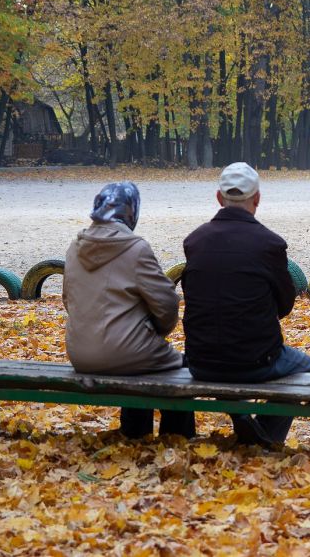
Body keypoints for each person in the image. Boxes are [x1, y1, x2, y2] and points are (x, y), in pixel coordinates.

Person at [181, 162, 310, 447]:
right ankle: (264, 435)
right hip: (255, 360)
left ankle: (242, 417)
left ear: (219, 198)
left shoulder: (194, 241)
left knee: (225, 354)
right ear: (257, 199)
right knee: (308, 367)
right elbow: (284, 306)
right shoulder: (269, 244)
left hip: (200, 359)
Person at [63, 181, 195, 439]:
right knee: (180, 372)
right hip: (126, 353)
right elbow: (166, 306)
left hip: (79, 354)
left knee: (134, 356)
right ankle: (177, 438)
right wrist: (155, 329)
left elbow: (69, 300)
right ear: (132, 211)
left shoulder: (74, 248)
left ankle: (134, 432)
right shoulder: (135, 248)